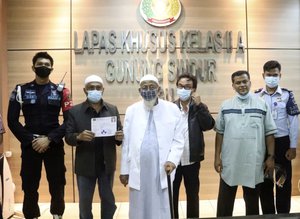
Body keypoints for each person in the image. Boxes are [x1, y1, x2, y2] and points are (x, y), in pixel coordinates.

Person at [7, 52, 73, 219]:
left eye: (46, 64)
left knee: (57, 184)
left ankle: (57, 215)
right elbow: (12, 121)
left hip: (54, 145)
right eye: (39, 64)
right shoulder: (20, 90)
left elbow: (69, 121)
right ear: (33, 67)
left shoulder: (62, 91)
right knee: (29, 185)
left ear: (51, 68)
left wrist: (49, 139)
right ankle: (31, 215)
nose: (43, 67)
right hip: (30, 146)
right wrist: (32, 140)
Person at [119, 74, 184, 219]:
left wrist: (172, 161)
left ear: (159, 89)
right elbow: (127, 143)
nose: (148, 90)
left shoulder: (172, 109)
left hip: (162, 168)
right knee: (139, 206)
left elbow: (178, 140)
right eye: (144, 87)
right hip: (138, 168)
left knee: (161, 206)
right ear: (139, 90)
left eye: (152, 87)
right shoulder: (132, 110)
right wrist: (124, 170)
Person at [214, 70, 277, 217]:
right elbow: (220, 133)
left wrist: (270, 157)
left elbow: (270, 133)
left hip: (253, 161)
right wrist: (217, 157)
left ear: (250, 83)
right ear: (233, 85)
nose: (242, 85)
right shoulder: (225, 106)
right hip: (230, 161)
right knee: (225, 202)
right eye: (238, 82)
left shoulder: (261, 104)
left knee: (252, 202)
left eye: (244, 81)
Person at [65, 75, 123, 219]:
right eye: (91, 88)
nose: (95, 90)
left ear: (103, 89)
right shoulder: (75, 111)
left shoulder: (112, 109)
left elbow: (119, 134)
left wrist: (120, 137)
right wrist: (79, 137)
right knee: (85, 204)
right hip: (85, 165)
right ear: (85, 90)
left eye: (98, 87)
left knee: (109, 202)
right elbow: (68, 137)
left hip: (106, 164)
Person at [255, 60, 300, 214]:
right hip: (262, 144)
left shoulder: (287, 95)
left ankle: (283, 215)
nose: (272, 78)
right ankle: (268, 215)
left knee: (283, 182)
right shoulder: (256, 96)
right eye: (269, 75)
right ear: (263, 75)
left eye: (275, 75)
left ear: (280, 75)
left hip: (282, 143)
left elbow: (294, 121)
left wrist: (293, 146)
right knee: (265, 182)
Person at [173, 73, 215, 219]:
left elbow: (208, 125)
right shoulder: (170, 108)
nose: (184, 89)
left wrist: (200, 107)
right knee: (172, 195)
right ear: (177, 87)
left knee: (192, 195)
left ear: (194, 89)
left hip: (192, 160)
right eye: (181, 86)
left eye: (188, 87)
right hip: (173, 161)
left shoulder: (199, 107)